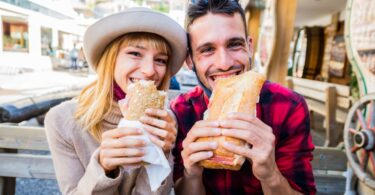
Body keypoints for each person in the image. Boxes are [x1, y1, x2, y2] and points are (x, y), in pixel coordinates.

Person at [170, 0, 316, 194]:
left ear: (249, 47)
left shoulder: (289, 106)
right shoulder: (181, 111)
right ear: (190, 60)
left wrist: (270, 174)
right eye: (207, 50)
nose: (224, 63)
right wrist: (192, 174)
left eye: (234, 44)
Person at [44, 7, 187, 195]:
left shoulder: (165, 121)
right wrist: (103, 167)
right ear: (110, 59)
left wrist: (163, 153)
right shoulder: (62, 120)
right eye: (135, 53)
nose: (150, 70)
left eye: (160, 60)